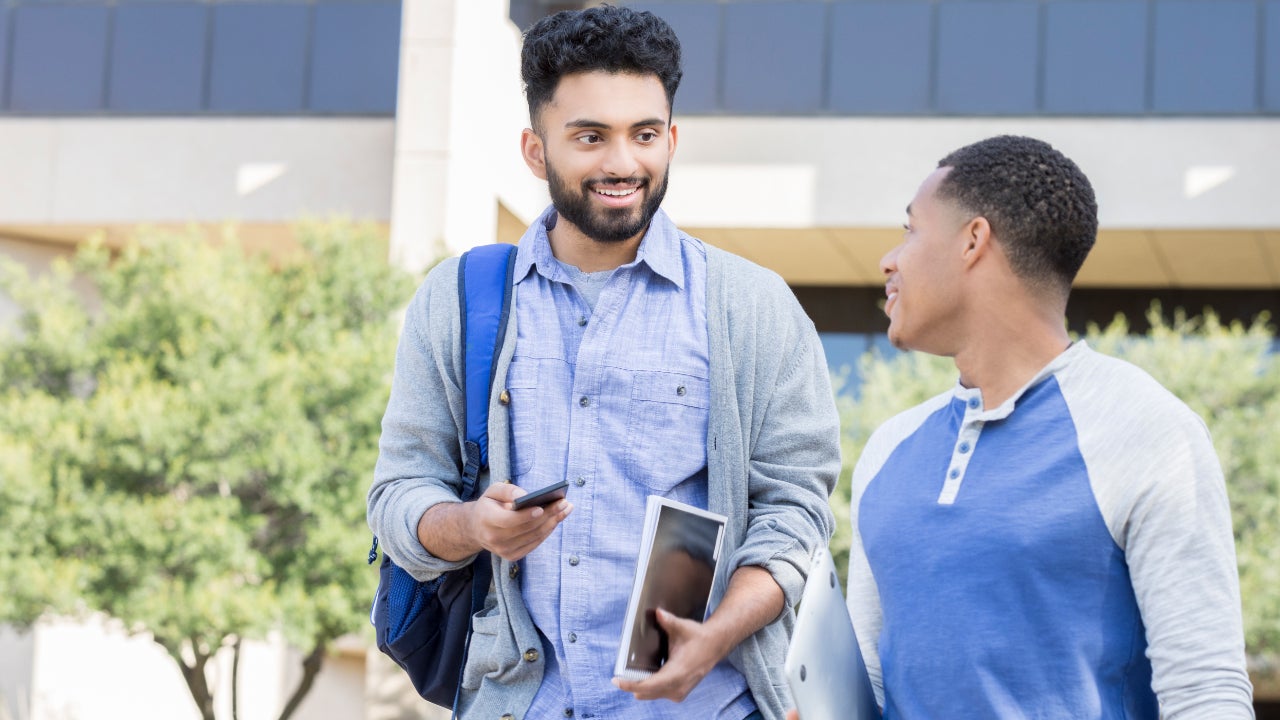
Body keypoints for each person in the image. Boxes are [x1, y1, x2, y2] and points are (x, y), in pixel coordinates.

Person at [367, 6, 841, 720]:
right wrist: (473, 527)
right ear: (535, 151)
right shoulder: (461, 300)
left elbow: (795, 510)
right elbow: (398, 494)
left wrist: (718, 634)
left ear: (672, 139)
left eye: (644, 135)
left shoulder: (752, 306)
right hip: (518, 703)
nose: (623, 163)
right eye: (590, 137)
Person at [834, 135, 1254, 718]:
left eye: (910, 231)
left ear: (973, 241)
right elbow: (866, 686)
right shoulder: (888, 449)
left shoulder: (1149, 431)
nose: (890, 260)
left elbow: (1205, 693)